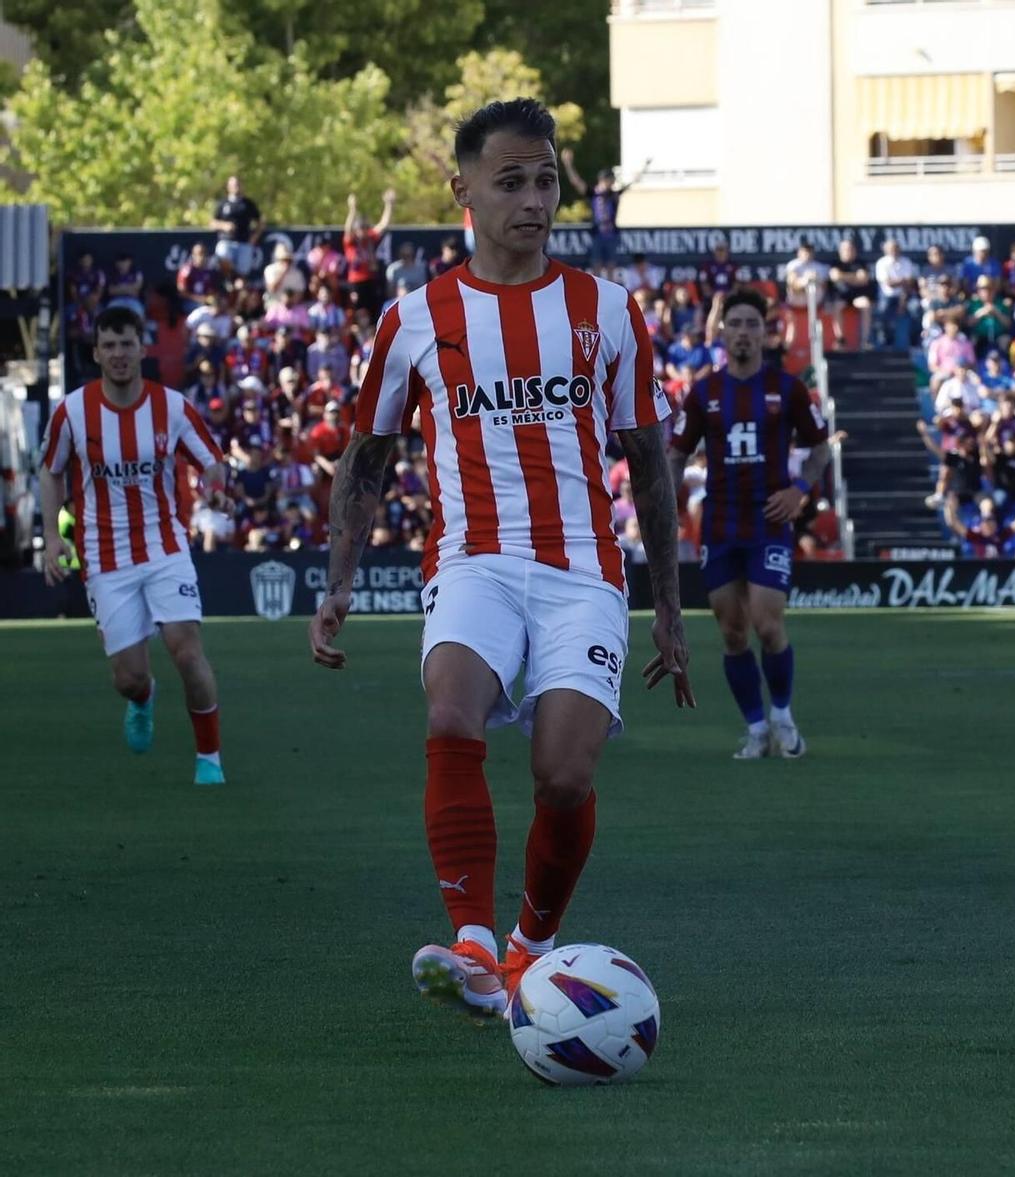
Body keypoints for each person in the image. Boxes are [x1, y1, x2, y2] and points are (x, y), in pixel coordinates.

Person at [308, 98, 694, 1018]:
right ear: (464, 191)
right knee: (452, 712)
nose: (533, 199)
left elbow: (649, 462)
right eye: (511, 180)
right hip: (471, 561)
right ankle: (472, 939)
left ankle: (531, 946)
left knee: (564, 774)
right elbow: (367, 458)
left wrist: (672, 611)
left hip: (583, 573)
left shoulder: (606, 309)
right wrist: (338, 584)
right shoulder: (414, 317)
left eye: (546, 179)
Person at [38, 305, 230, 785]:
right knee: (129, 678)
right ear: (97, 353)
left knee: (185, 649)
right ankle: (142, 700)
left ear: (142, 349)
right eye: (109, 345)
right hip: (105, 559)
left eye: (127, 344)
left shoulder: (172, 407)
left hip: (165, 547)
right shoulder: (73, 412)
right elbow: (51, 470)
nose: (119, 354)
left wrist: (216, 485)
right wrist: (49, 540)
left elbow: (211, 460)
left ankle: (209, 758)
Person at [670, 288, 832, 759]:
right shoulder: (705, 392)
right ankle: (756, 728)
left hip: (768, 521)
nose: (743, 332)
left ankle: (782, 715)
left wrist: (799, 490)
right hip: (719, 523)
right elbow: (677, 453)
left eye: (751, 324)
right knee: (733, 632)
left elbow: (820, 447)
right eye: (735, 324)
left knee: (767, 623)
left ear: (765, 332)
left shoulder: (788, 388)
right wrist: (666, 497)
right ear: (723, 333)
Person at [561, 147, 649, 277]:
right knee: (596, 265)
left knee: (611, 267)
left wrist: (644, 168)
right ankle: (596, 290)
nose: (612, 183)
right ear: (603, 180)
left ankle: (609, 291)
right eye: (610, 180)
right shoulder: (594, 194)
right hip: (598, 234)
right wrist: (568, 165)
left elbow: (632, 182)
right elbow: (576, 182)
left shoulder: (614, 194)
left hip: (612, 235)